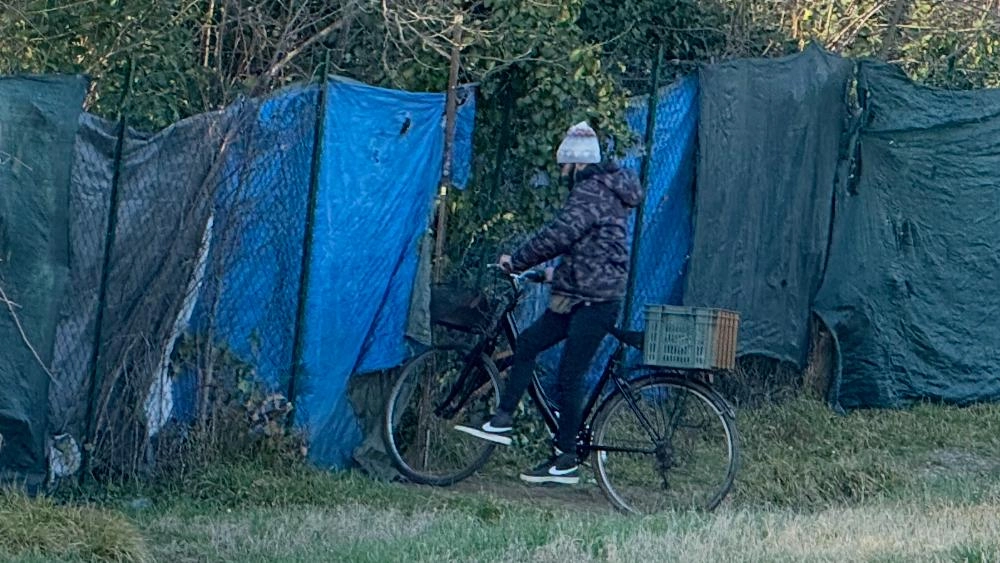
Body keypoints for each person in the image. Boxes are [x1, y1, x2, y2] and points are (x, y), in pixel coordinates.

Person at [454, 121, 643, 485]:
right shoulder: (604, 191)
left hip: (594, 302)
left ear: (576, 163)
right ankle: (504, 418)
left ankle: (567, 459)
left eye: (563, 166)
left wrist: (519, 260)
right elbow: (593, 249)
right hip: (581, 295)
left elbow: (560, 234)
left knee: (569, 377)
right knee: (526, 343)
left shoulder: (591, 190)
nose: (561, 173)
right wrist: (550, 275)